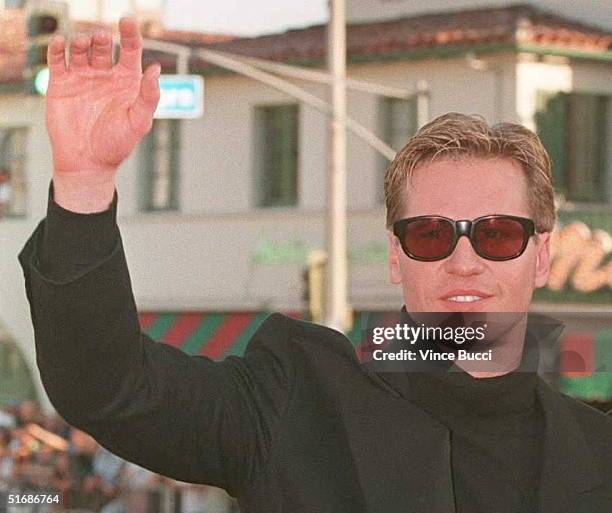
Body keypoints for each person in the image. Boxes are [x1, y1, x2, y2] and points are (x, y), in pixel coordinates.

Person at [18, 16, 611, 513]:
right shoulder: (293, 403)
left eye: (498, 234)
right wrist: (85, 185)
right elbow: (110, 387)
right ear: (396, 257)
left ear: (541, 256)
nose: (464, 260)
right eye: (430, 234)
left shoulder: (597, 454)